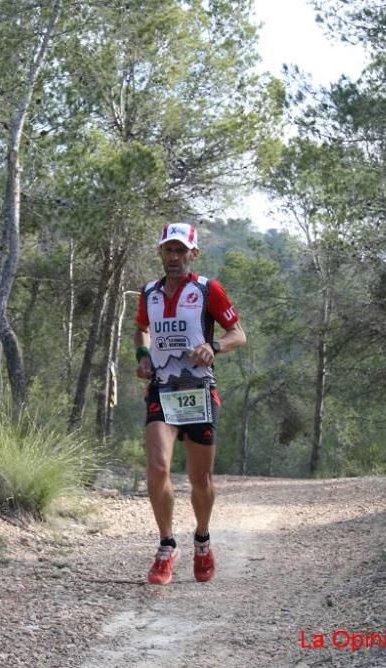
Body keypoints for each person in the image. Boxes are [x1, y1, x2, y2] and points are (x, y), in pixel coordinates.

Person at [134, 222, 246, 585]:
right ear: (161, 253)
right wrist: (143, 355)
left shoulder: (207, 289)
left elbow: (238, 334)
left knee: (200, 479)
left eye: (181, 250)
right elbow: (143, 327)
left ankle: (202, 539)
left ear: (193, 254)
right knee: (158, 467)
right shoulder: (149, 291)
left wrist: (212, 347)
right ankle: (166, 546)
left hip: (198, 390)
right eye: (168, 250)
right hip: (162, 388)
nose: (174, 257)